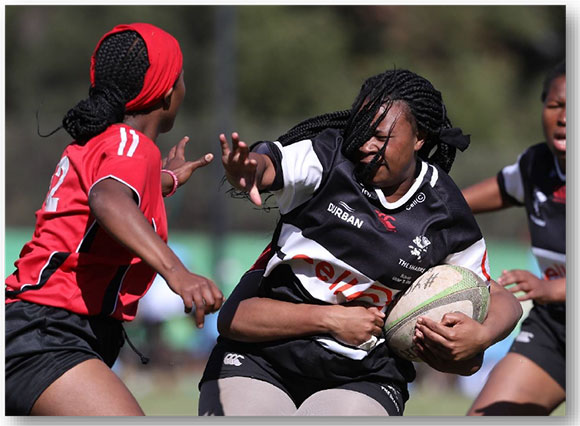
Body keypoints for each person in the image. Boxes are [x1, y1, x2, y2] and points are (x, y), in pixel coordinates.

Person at [197, 68, 522, 416]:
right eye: (363, 131)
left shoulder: (446, 212)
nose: (366, 145)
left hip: (364, 376)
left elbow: (499, 299)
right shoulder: (328, 157)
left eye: (381, 136)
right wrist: (251, 168)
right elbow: (270, 164)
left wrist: (480, 337)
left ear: (419, 138)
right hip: (261, 358)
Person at [5, 23, 225, 416]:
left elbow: (104, 196)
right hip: (48, 334)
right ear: (167, 91)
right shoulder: (131, 145)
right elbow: (106, 199)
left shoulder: (102, 141)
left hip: (40, 326)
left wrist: (165, 180)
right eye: (182, 78)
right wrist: (178, 273)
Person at [465, 61, 566, 416]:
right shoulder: (536, 166)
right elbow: (461, 203)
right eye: (555, 105)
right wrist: (426, 207)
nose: (564, 117)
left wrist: (550, 288)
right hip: (557, 330)